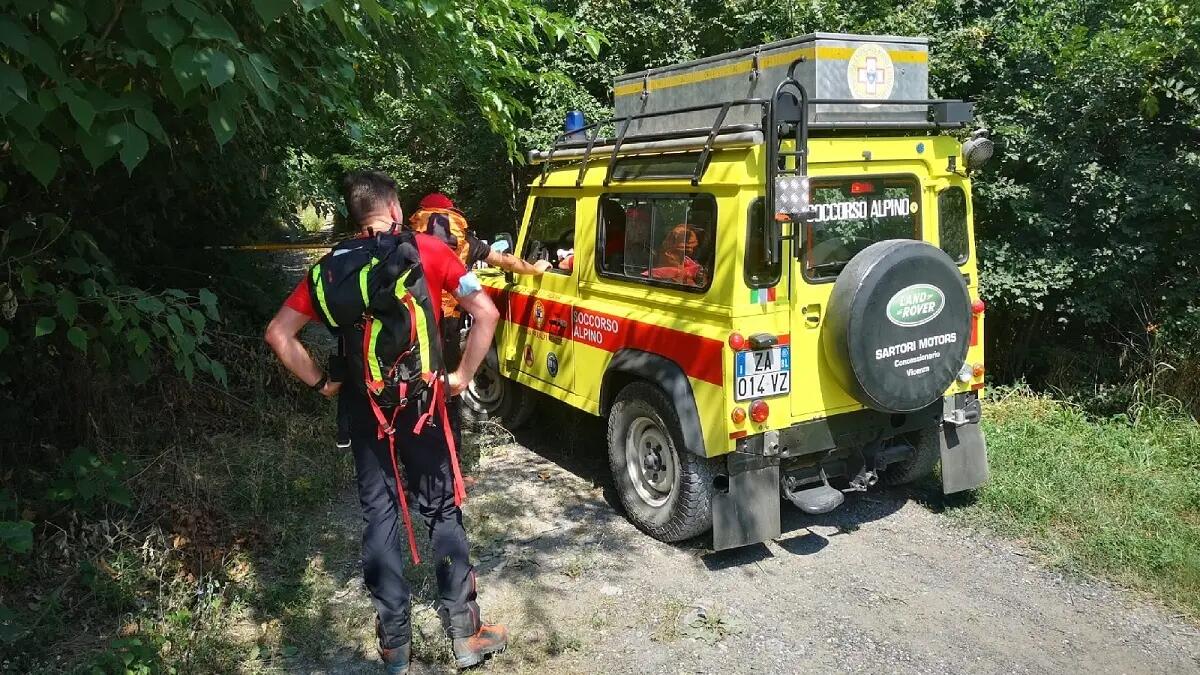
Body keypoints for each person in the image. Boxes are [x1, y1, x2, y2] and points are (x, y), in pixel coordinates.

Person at [264, 173, 507, 674]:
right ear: (395, 208)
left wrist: (321, 383)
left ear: (356, 214)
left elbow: (278, 335)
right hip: (422, 406)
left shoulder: (329, 269)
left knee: (380, 515)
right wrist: (460, 376)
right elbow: (485, 314)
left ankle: (395, 646)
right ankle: (465, 633)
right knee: (441, 511)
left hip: (364, 408)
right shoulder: (430, 251)